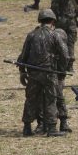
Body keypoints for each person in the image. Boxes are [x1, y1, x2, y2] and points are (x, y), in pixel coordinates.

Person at [17, 9, 69, 137]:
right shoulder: (55, 35)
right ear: (52, 21)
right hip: (49, 73)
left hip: (33, 73)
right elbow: (65, 55)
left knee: (31, 99)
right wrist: (62, 71)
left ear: (40, 21)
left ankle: (27, 128)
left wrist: (22, 71)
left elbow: (23, 55)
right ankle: (51, 128)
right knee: (51, 99)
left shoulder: (31, 35)